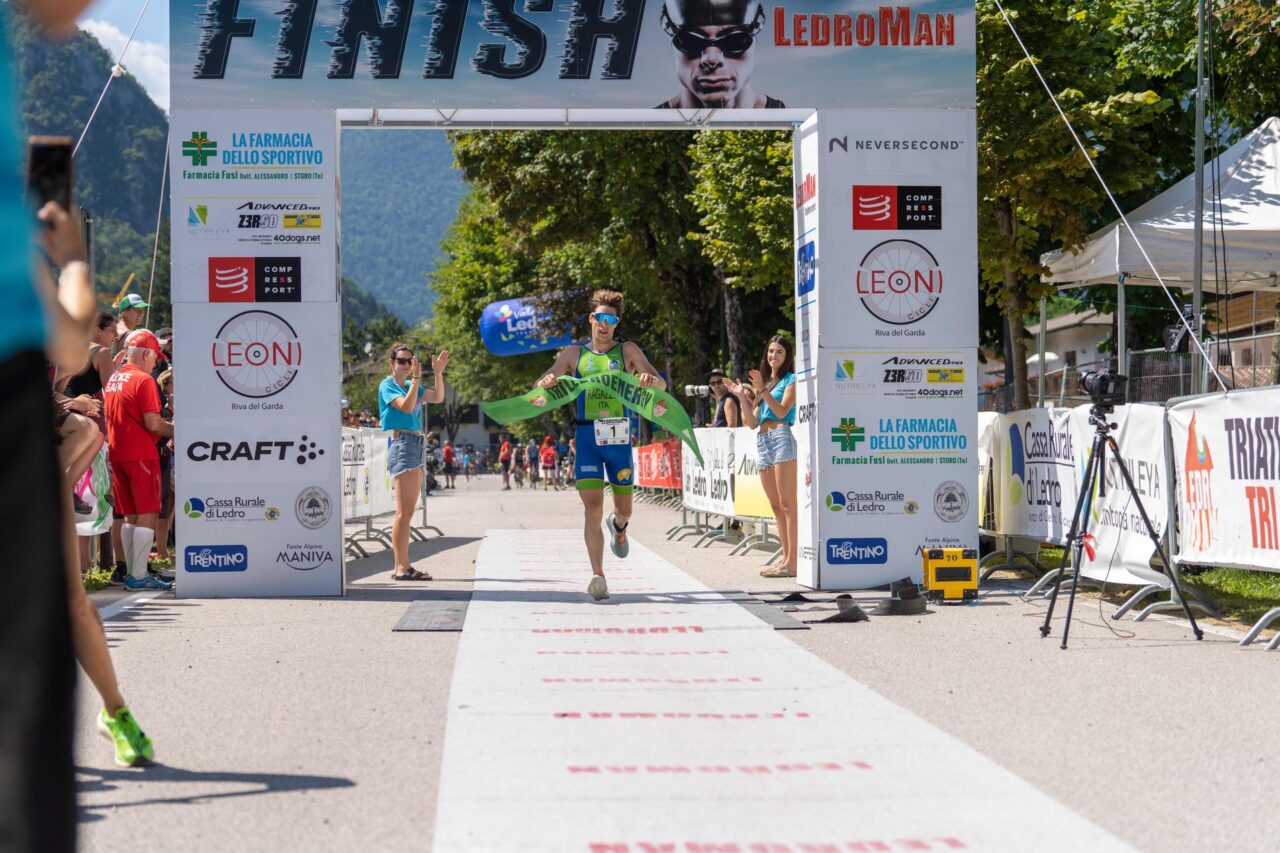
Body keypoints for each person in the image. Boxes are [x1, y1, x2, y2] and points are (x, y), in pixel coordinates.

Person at [536, 290, 665, 601]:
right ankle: (598, 574)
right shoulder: (573, 355)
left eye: (611, 319)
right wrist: (546, 382)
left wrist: (649, 381)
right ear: (591, 319)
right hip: (587, 437)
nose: (605, 325)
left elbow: (660, 383)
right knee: (592, 509)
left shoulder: (628, 350)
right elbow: (543, 382)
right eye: (600, 318)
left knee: (624, 509)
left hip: (619, 437)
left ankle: (619, 528)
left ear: (616, 323)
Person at [104, 329, 174, 591]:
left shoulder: (114, 379)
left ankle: (133, 572)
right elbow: (153, 423)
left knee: (130, 515)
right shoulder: (144, 380)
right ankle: (139, 575)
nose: (156, 362)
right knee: (147, 512)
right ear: (145, 353)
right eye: (155, 356)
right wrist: (181, 430)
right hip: (141, 454)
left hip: (118, 454)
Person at [727, 335, 797, 578]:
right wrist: (741, 397)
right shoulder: (767, 383)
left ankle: (793, 563)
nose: (773, 356)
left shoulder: (791, 380)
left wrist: (763, 389)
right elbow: (752, 423)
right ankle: (786, 559)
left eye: (779, 352)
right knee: (776, 506)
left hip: (780, 437)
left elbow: (781, 411)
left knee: (788, 504)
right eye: (770, 351)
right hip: (763, 441)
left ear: (787, 356)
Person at [377, 343, 449, 581]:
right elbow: (407, 407)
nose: (406, 365)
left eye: (409, 361)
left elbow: (438, 397)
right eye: (401, 361)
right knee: (403, 512)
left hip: (414, 445)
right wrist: (417, 378)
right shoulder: (388, 385)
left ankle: (402, 566)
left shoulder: (410, 385)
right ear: (392, 363)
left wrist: (437, 372)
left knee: (408, 512)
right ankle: (401, 567)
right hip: (403, 444)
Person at [656, 0, 785, 110]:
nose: (711, 59)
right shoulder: (646, 122)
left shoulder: (795, 124)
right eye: (691, 41)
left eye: (734, 41)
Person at [112, 293, 146, 358]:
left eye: (142, 310)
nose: (141, 314)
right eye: (136, 310)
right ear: (124, 312)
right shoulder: (128, 334)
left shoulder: (115, 328)